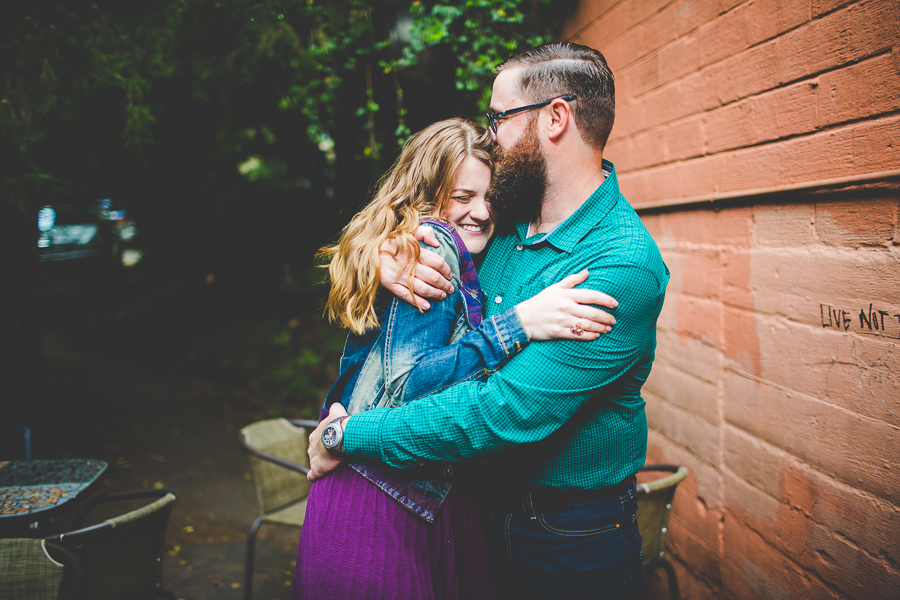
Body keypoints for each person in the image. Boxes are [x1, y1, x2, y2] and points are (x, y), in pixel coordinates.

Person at [307, 42, 670, 600]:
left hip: (567, 536)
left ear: (555, 117)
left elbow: (499, 412)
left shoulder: (619, 263)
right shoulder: (503, 218)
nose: (492, 134)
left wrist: (349, 435)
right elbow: (407, 217)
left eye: (499, 117)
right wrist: (377, 255)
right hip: (468, 516)